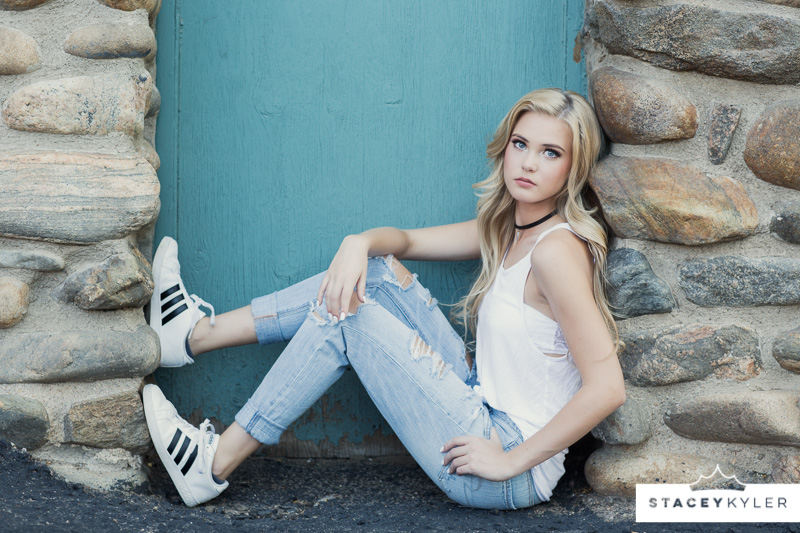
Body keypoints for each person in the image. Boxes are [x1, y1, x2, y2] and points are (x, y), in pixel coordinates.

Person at [142, 87, 626, 510]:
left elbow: (606, 388)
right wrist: (359, 242)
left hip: (505, 464)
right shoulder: (509, 228)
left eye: (550, 153)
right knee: (371, 274)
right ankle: (192, 334)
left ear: (574, 167)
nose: (528, 162)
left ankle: (214, 462)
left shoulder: (556, 252)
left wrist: (510, 462)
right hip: (478, 398)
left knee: (347, 315)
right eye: (521, 144)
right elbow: (408, 242)